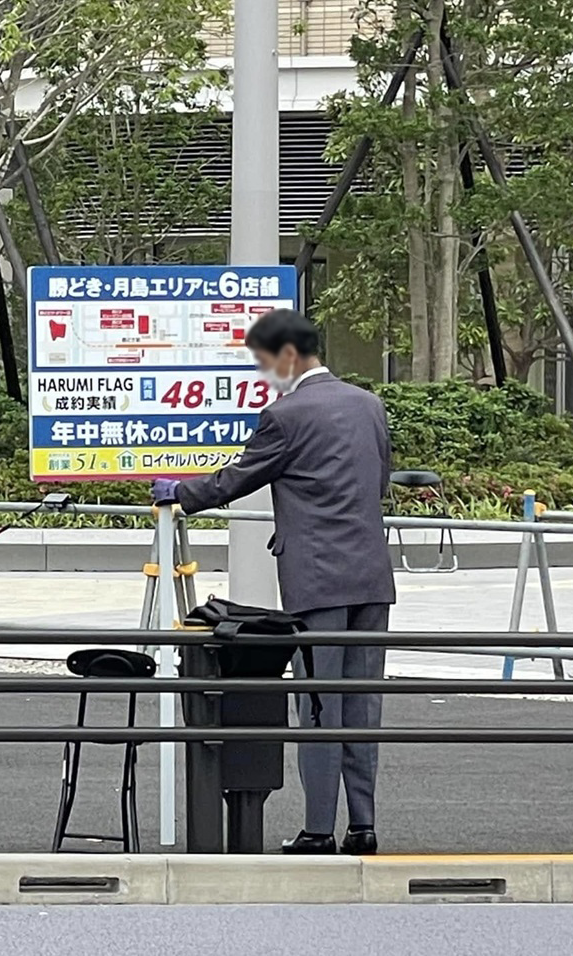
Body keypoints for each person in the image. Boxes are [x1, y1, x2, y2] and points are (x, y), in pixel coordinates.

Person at [151, 307, 395, 855]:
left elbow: (236, 480)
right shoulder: (369, 404)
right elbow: (379, 481)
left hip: (317, 579)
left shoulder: (285, 416)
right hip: (371, 575)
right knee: (362, 704)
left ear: (288, 355)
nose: (264, 374)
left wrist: (178, 492)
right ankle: (363, 825)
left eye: (264, 362)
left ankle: (317, 830)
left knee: (318, 706)